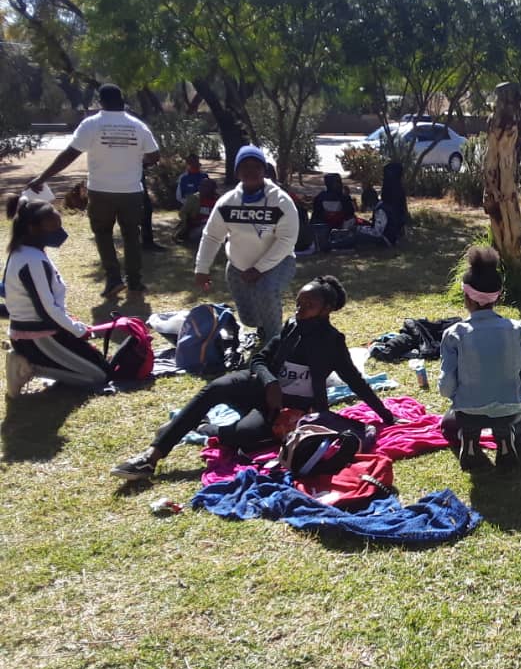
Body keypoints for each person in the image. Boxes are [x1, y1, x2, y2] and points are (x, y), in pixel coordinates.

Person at [112, 275, 396, 481]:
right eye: (298, 303)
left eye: (308, 305)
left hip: (286, 408)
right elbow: (258, 359)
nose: (299, 309)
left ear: (326, 309)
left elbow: (355, 381)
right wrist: (269, 381)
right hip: (261, 388)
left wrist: (387, 417)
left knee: (245, 437)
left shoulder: (332, 342)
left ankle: (201, 427)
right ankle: (151, 457)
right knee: (216, 387)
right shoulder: (291, 326)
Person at [27, 84, 160, 298]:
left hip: (101, 191)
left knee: (103, 234)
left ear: (100, 101)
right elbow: (154, 156)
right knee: (131, 235)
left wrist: (43, 177)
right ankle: (135, 282)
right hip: (131, 192)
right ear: (122, 100)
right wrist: (137, 163)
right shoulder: (138, 126)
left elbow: (69, 155)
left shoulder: (91, 124)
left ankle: (114, 280)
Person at [439, 246, 521, 471]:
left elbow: (446, 387)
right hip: (509, 408)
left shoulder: (454, 334)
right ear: (498, 296)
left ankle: (470, 443)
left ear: (467, 297)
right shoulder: (517, 329)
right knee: (514, 419)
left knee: (451, 422)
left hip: (469, 409)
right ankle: (505, 440)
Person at [4, 197, 109, 396]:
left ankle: (32, 360)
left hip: (38, 333)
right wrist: (77, 330)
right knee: (97, 376)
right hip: (38, 337)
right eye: (54, 227)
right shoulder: (32, 260)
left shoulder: (25, 253)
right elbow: (47, 310)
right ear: (33, 228)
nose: (60, 233)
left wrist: (70, 324)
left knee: (102, 365)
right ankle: (28, 367)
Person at [195, 145, 299, 343]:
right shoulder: (227, 202)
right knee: (249, 319)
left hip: (278, 264)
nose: (250, 171)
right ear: (237, 172)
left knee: (266, 290)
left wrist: (260, 268)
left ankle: (275, 342)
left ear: (264, 170)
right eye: (245, 167)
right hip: (238, 268)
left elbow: (287, 240)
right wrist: (202, 268)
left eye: (256, 166)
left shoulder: (280, 201)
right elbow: (212, 236)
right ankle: (263, 327)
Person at [353, 163, 407, 248]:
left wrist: (359, 229)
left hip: (386, 239)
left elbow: (377, 232)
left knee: (356, 237)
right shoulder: (384, 205)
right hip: (389, 235)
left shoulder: (380, 210)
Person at [311, 172, 357, 251]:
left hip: (330, 227)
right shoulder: (343, 197)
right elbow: (350, 213)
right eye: (338, 182)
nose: (340, 185)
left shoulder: (320, 196)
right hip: (333, 227)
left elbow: (316, 214)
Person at [173, 177, 220, 244]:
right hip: (196, 228)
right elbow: (182, 213)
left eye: (206, 186)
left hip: (213, 227)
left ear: (213, 189)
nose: (202, 188)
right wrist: (186, 222)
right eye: (201, 186)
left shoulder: (219, 200)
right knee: (205, 228)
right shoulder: (194, 199)